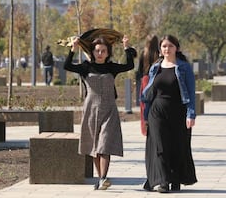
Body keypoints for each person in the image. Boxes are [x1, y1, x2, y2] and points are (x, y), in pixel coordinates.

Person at [64, 35, 136, 190]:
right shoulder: (85, 67)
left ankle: (103, 177)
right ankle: (101, 178)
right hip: (91, 109)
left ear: (108, 52)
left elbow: (130, 65)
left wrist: (126, 46)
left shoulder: (111, 67)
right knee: (94, 146)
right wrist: (73, 49)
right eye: (97, 51)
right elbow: (67, 66)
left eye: (103, 51)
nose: (100, 53)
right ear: (92, 52)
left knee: (104, 144)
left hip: (109, 109)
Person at [141, 35, 197, 193]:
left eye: (170, 46)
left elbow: (191, 93)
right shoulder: (155, 67)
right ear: (160, 50)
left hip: (178, 111)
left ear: (176, 48)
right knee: (160, 145)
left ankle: (175, 178)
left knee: (177, 146)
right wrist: (146, 116)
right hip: (157, 111)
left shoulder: (184, 67)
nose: (167, 49)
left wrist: (191, 114)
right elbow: (150, 93)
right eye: (164, 46)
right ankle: (162, 181)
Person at [136, 34, 160, 135]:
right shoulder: (158, 54)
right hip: (155, 79)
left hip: (145, 80)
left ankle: (144, 128)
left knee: (144, 105)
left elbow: (139, 70)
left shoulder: (143, 53)